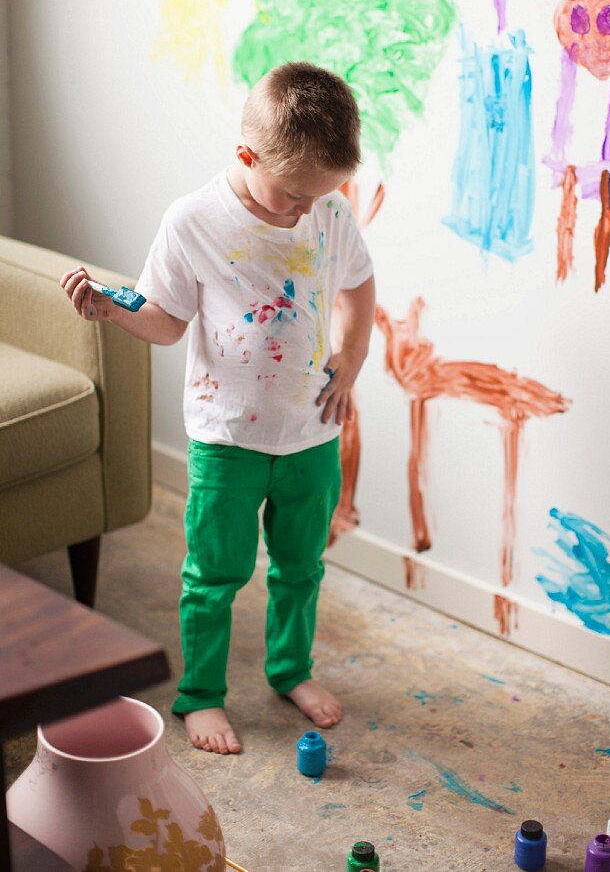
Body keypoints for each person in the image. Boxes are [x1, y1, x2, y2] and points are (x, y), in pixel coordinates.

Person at [60, 61, 376, 755]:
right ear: (246, 157)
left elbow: (357, 284)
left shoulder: (327, 210)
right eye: (292, 195)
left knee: (301, 568)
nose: (304, 211)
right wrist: (114, 311)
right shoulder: (193, 221)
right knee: (214, 574)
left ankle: (290, 669)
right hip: (227, 437)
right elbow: (166, 319)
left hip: (311, 435)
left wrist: (350, 359)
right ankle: (200, 694)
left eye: (319, 197)